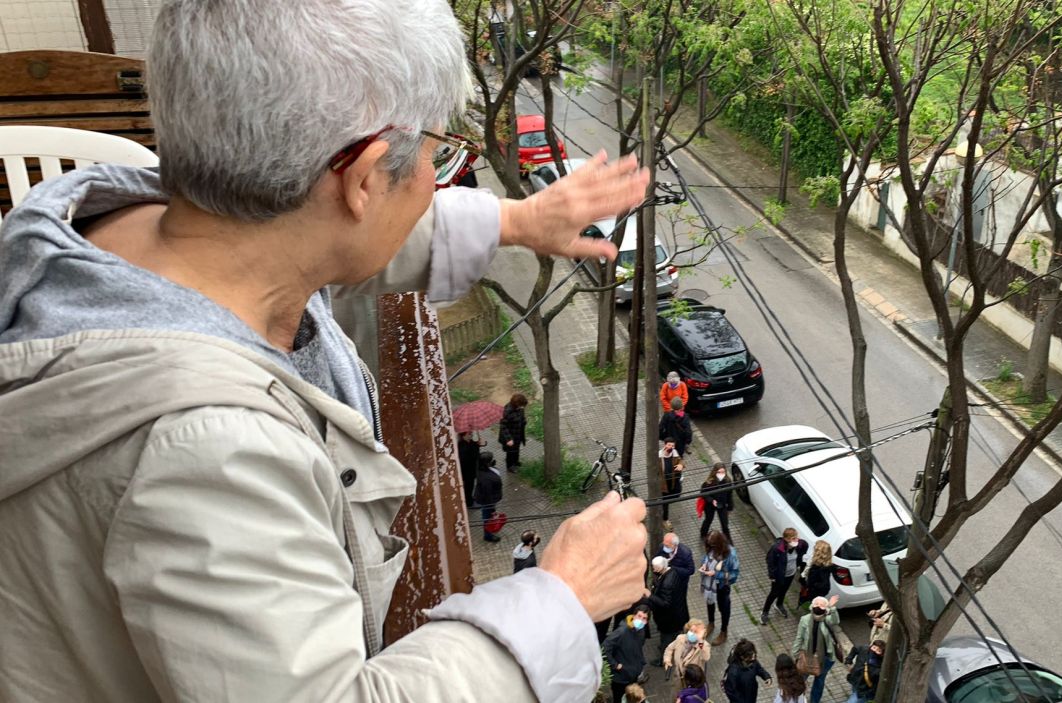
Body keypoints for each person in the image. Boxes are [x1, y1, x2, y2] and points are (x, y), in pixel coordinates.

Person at [0, 2, 653, 700]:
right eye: (437, 154)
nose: (435, 177)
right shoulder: (207, 457)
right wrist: (557, 602)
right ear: (367, 176)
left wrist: (515, 220)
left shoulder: (141, 227)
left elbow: (333, 230)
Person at [791, 596, 842, 703]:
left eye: (822, 605)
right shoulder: (805, 619)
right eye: (816, 604)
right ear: (811, 606)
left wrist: (831, 607)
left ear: (825, 608)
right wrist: (795, 654)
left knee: (819, 680)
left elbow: (835, 620)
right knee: (800, 679)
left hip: (825, 658)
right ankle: (795, 698)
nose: (818, 606)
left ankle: (814, 701)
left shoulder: (827, 620)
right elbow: (799, 637)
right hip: (807, 655)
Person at [605, 604, 652, 703]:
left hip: (633, 673)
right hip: (621, 677)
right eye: (639, 616)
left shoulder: (641, 630)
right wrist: (615, 665)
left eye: (644, 618)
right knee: (619, 697)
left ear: (647, 621)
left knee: (631, 697)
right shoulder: (622, 631)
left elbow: (639, 647)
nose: (641, 620)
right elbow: (605, 647)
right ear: (634, 616)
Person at [699, 530, 738, 646]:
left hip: (722, 586)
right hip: (709, 584)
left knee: (724, 607)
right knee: (710, 602)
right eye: (709, 545)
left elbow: (734, 575)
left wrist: (716, 574)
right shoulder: (711, 548)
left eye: (713, 546)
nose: (711, 548)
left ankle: (723, 632)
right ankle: (711, 623)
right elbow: (706, 558)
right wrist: (704, 566)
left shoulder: (731, 554)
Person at [647, 556, 689, 665]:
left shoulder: (667, 583)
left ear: (662, 568)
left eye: (655, 568)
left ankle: (664, 660)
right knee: (675, 635)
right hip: (679, 614)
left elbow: (665, 603)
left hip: (669, 620)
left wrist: (650, 596)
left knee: (666, 639)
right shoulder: (673, 572)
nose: (653, 570)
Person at [762, 527, 808, 625]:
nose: (796, 540)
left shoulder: (800, 545)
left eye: (796, 537)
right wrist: (772, 576)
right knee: (774, 593)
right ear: (786, 539)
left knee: (784, 590)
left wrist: (800, 563)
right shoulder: (777, 549)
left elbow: (804, 546)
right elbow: (770, 561)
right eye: (793, 538)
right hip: (779, 576)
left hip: (790, 574)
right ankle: (765, 611)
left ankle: (779, 604)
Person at [662, 619, 711, 691]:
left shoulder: (704, 645)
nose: (692, 633)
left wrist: (700, 640)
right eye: (691, 630)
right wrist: (667, 660)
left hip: (693, 682)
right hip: (678, 678)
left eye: (696, 632)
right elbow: (669, 648)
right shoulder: (680, 638)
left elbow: (706, 657)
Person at [722, 639, 773, 703]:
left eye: (753, 653)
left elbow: (759, 669)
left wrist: (766, 676)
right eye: (750, 656)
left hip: (751, 694)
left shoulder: (752, 662)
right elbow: (730, 691)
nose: (754, 656)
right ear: (742, 657)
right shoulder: (733, 672)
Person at [473, 451, 505, 542]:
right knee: (487, 517)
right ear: (487, 463)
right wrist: (491, 508)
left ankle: (489, 531)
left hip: (489, 498)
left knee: (488, 515)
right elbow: (488, 495)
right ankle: (488, 535)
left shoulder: (482, 469)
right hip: (488, 501)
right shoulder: (486, 479)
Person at [698, 463, 733, 542]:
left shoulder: (728, 481)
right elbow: (703, 494)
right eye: (719, 472)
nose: (721, 474)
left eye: (723, 472)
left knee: (725, 524)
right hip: (710, 506)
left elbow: (730, 495)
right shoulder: (708, 483)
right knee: (708, 520)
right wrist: (711, 500)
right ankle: (703, 534)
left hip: (722, 505)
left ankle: (728, 540)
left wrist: (730, 507)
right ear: (715, 472)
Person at [798, 540, 834, 607]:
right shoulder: (816, 562)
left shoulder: (822, 569)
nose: (813, 550)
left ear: (819, 553)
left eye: (815, 549)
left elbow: (825, 586)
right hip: (809, 589)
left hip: (814, 593)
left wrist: (812, 585)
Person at [498, 393, 528, 472]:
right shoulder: (508, 411)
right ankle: (510, 466)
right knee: (510, 452)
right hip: (510, 436)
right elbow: (503, 426)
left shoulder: (519, 408)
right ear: (517, 404)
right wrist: (508, 439)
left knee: (516, 449)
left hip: (517, 434)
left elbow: (522, 417)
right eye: (522, 405)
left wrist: (524, 421)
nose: (523, 407)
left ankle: (516, 462)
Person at [659, 440, 683, 527]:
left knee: (676, 494)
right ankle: (665, 519)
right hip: (664, 484)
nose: (671, 447)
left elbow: (680, 461)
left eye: (673, 446)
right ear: (665, 445)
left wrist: (681, 465)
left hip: (673, 482)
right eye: (669, 445)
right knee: (666, 502)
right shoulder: (659, 456)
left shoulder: (675, 454)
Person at [457, 430, 485, 505]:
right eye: (469, 434)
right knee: (469, 486)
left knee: (470, 486)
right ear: (463, 436)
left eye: (471, 433)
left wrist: (479, 444)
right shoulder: (462, 446)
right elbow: (471, 457)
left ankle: (469, 498)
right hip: (467, 472)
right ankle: (469, 502)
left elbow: (474, 446)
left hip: (471, 470)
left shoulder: (470, 442)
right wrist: (476, 448)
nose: (471, 435)